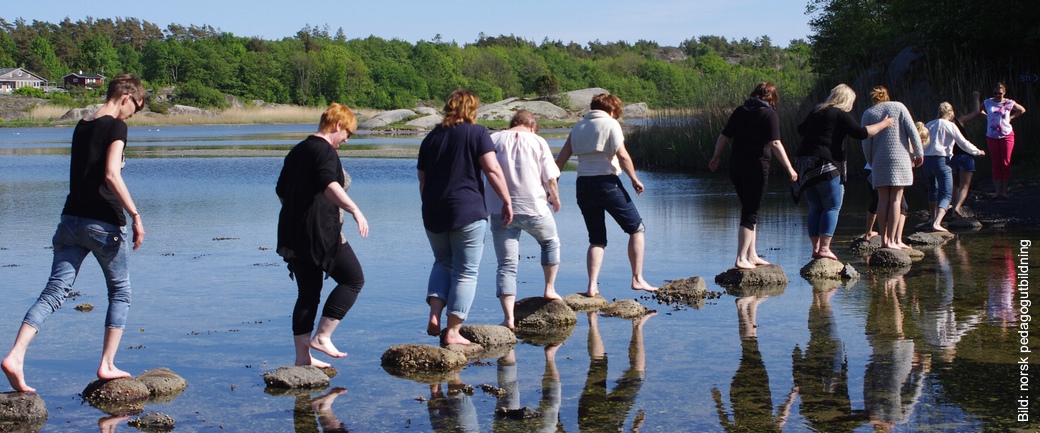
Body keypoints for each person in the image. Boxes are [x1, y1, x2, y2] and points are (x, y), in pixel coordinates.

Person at [2, 74, 147, 393]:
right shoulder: (116, 127)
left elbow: (90, 170)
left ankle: (15, 355)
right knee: (120, 291)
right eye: (133, 108)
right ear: (125, 97)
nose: (131, 116)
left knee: (55, 291)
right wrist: (135, 215)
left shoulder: (81, 126)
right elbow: (110, 174)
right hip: (103, 223)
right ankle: (107, 364)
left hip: (70, 220)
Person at [276, 102, 368, 367]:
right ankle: (323, 336)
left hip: (293, 233)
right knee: (353, 279)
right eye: (347, 134)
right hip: (321, 233)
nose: (346, 140)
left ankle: (302, 358)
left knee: (308, 293)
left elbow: (281, 191)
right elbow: (330, 184)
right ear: (337, 125)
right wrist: (355, 210)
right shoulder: (326, 151)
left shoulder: (298, 150)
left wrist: (300, 213)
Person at [419, 89, 512, 346]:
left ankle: (435, 315)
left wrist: (430, 205)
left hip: (433, 210)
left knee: (442, 262)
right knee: (466, 272)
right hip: (467, 210)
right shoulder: (477, 133)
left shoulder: (431, 137)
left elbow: (422, 180)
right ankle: (453, 331)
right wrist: (506, 200)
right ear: (471, 109)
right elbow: (492, 169)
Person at [555, 93, 656, 296]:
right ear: (612, 110)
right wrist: (635, 179)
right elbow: (623, 155)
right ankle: (637, 279)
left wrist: (552, 186)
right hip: (607, 183)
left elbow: (561, 159)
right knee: (636, 228)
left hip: (583, 185)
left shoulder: (578, 127)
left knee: (596, 239)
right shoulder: (610, 124)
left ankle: (592, 286)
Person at [793, 83, 894, 260]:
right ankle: (824, 248)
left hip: (805, 165)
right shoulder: (839, 114)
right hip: (827, 165)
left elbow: (800, 129)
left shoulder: (816, 111)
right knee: (832, 207)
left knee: (815, 207)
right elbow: (861, 133)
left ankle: (816, 248)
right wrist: (884, 124)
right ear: (846, 100)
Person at [486, 110, 562, 330]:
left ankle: (509, 318)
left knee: (506, 264)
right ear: (531, 125)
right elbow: (550, 176)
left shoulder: (493, 138)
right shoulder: (538, 141)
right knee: (550, 242)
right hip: (533, 207)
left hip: (499, 209)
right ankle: (549, 288)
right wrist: (554, 197)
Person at [709, 82, 799, 269]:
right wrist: (790, 168)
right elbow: (775, 143)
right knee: (750, 212)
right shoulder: (769, 114)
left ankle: (752, 254)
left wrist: (715, 157)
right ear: (772, 98)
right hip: (757, 166)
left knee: (750, 209)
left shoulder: (740, 111)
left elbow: (723, 136)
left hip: (736, 165)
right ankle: (741, 258)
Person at [861, 86, 923, 250]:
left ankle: (884, 241)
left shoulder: (868, 113)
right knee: (896, 199)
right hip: (901, 158)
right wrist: (919, 154)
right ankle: (895, 241)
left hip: (879, 160)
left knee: (882, 199)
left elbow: (866, 143)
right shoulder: (899, 107)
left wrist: (871, 161)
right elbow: (913, 132)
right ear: (887, 96)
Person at [923, 102, 985, 231]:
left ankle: (932, 217)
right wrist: (978, 152)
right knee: (946, 193)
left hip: (927, 161)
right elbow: (963, 143)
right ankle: (937, 223)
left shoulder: (929, 124)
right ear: (950, 113)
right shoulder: (950, 125)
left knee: (932, 189)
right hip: (941, 160)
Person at [983, 82, 1026, 198]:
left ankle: (1004, 190)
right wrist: (987, 116)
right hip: (992, 136)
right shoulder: (988, 102)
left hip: (1006, 135)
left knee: (1005, 162)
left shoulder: (1009, 103)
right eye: (995, 93)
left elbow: (1022, 110)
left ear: (1004, 93)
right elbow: (978, 110)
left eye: (1000, 93)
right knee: (996, 163)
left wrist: (1011, 118)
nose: (997, 95)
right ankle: (997, 191)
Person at [949, 91, 986, 217]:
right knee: (964, 186)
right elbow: (976, 112)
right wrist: (976, 98)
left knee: (955, 185)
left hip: (952, 158)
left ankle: (954, 209)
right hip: (965, 156)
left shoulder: (941, 126)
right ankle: (958, 207)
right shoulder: (959, 120)